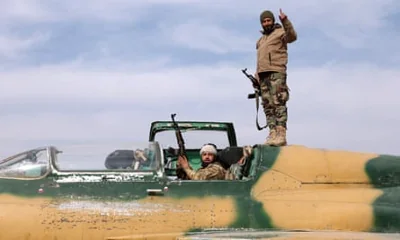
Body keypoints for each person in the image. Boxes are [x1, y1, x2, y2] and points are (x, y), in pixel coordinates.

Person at [255, 9, 297, 146]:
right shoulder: (261, 41)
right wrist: (257, 76)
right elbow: (259, 60)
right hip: (263, 75)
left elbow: (292, 36)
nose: (266, 23)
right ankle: (272, 132)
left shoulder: (280, 33)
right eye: (264, 21)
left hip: (276, 72)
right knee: (267, 105)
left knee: (278, 102)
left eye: (268, 20)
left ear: (273, 21)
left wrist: (285, 21)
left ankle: (281, 133)